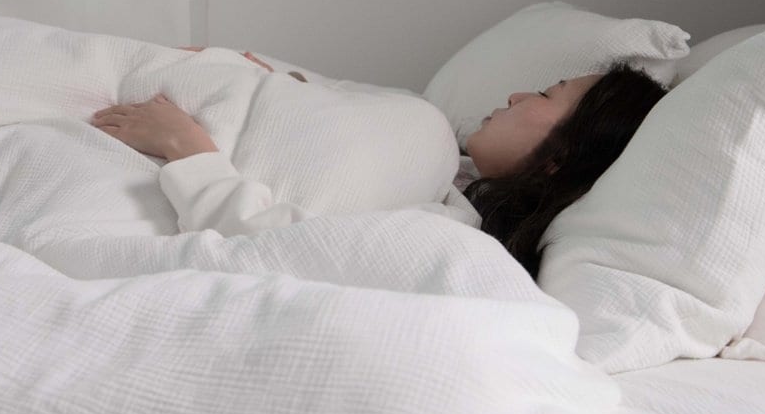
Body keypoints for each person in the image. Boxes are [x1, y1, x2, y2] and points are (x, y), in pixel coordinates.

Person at [91, 49, 667, 278]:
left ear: (560, 160)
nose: (517, 95)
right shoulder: (449, 167)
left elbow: (282, 245)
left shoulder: (454, 238)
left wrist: (189, 149)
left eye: (545, 94)